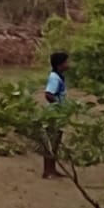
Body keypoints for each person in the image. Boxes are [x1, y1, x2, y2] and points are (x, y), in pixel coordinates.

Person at [43, 51, 69, 179]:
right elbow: (48, 94)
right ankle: (48, 171)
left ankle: (52, 169)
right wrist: (58, 107)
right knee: (52, 142)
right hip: (54, 114)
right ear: (60, 64)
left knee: (55, 142)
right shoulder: (54, 78)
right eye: (66, 62)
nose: (68, 65)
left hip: (58, 113)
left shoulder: (58, 76)